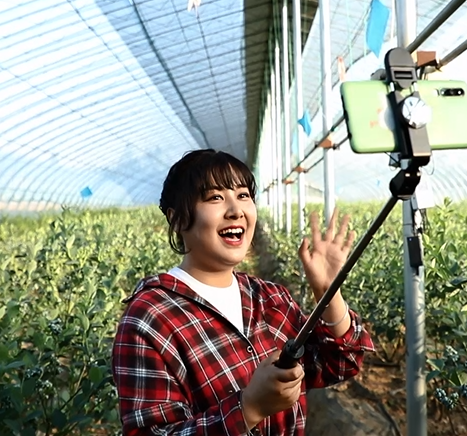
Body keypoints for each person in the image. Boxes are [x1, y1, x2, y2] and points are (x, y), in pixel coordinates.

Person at [111, 149, 375, 435]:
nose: (235, 210)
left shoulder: (270, 298)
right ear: (177, 220)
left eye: (243, 195)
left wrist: (328, 292)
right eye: (215, 197)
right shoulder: (151, 318)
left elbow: (340, 363)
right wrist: (249, 409)